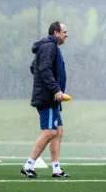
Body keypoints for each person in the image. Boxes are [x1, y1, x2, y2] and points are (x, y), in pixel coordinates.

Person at [20, 21, 70, 178]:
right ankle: (28, 166)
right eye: (64, 32)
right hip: (48, 98)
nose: (66, 35)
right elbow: (43, 69)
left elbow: (34, 67)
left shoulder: (52, 47)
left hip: (53, 99)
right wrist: (54, 89)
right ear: (56, 33)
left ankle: (56, 169)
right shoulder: (49, 46)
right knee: (49, 132)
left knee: (58, 132)